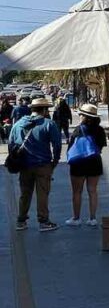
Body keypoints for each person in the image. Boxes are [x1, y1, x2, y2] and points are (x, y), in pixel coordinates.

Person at [8, 97, 63, 232]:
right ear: (44, 110)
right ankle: (43, 221)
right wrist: (55, 161)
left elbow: (11, 143)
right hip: (42, 164)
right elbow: (57, 144)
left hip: (24, 165)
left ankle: (21, 221)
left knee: (25, 193)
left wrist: (16, 159)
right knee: (42, 193)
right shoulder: (49, 124)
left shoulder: (19, 124)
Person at [65, 103, 108, 227]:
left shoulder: (78, 130)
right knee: (92, 190)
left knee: (77, 191)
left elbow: (71, 147)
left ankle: (76, 217)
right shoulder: (99, 130)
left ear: (83, 116)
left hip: (78, 163)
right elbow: (100, 147)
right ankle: (92, 218)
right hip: (94, 161)